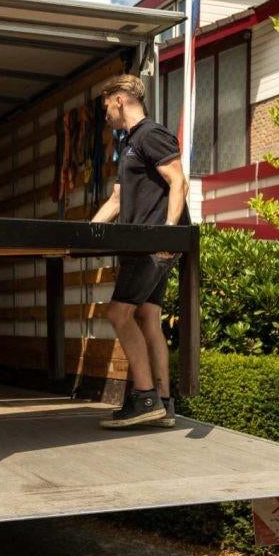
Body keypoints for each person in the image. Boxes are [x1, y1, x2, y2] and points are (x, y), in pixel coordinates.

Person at [91, 74, 190, 429]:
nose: (106, 114)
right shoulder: (130, 143)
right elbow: (117, 199)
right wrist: (85, 234)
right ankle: (163, 404)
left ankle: (144, 397)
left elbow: (178, 180)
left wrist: (166, 236)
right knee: (147, 317)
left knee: (118, 315)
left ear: (119, 100)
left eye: (106, 106)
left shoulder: (151, 134)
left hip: (150, 246)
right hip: (147, 245)